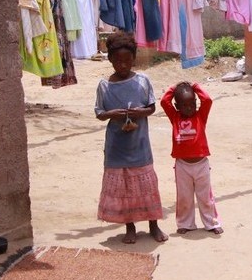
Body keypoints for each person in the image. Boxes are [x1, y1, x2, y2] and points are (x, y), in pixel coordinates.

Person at [94, 31, 168, 244]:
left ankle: (154, 225)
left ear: (134, 59)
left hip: (140, 146)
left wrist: (139, 113)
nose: (123, 65)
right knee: (125, 188)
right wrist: (112, 115)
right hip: (117, 147)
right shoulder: (104, 86)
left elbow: (152, 107)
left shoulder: (143, 81)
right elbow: (99, 113)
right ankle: (130, 228)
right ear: (110, 60)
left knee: (147, 186)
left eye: (127, 60)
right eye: (118, 61)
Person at [160, 81, 223, 235]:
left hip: (201, 164)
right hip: (182, 165)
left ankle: (212, 223)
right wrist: (174, 87)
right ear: (177, 106)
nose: (189, 108)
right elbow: (163, 101)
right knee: (184, 197)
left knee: (205, 197)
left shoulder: (200, 116)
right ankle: (185, 223)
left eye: (192, 104)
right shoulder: (175, 117)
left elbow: (207, 100)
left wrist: (194, 86)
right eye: (184, 105)